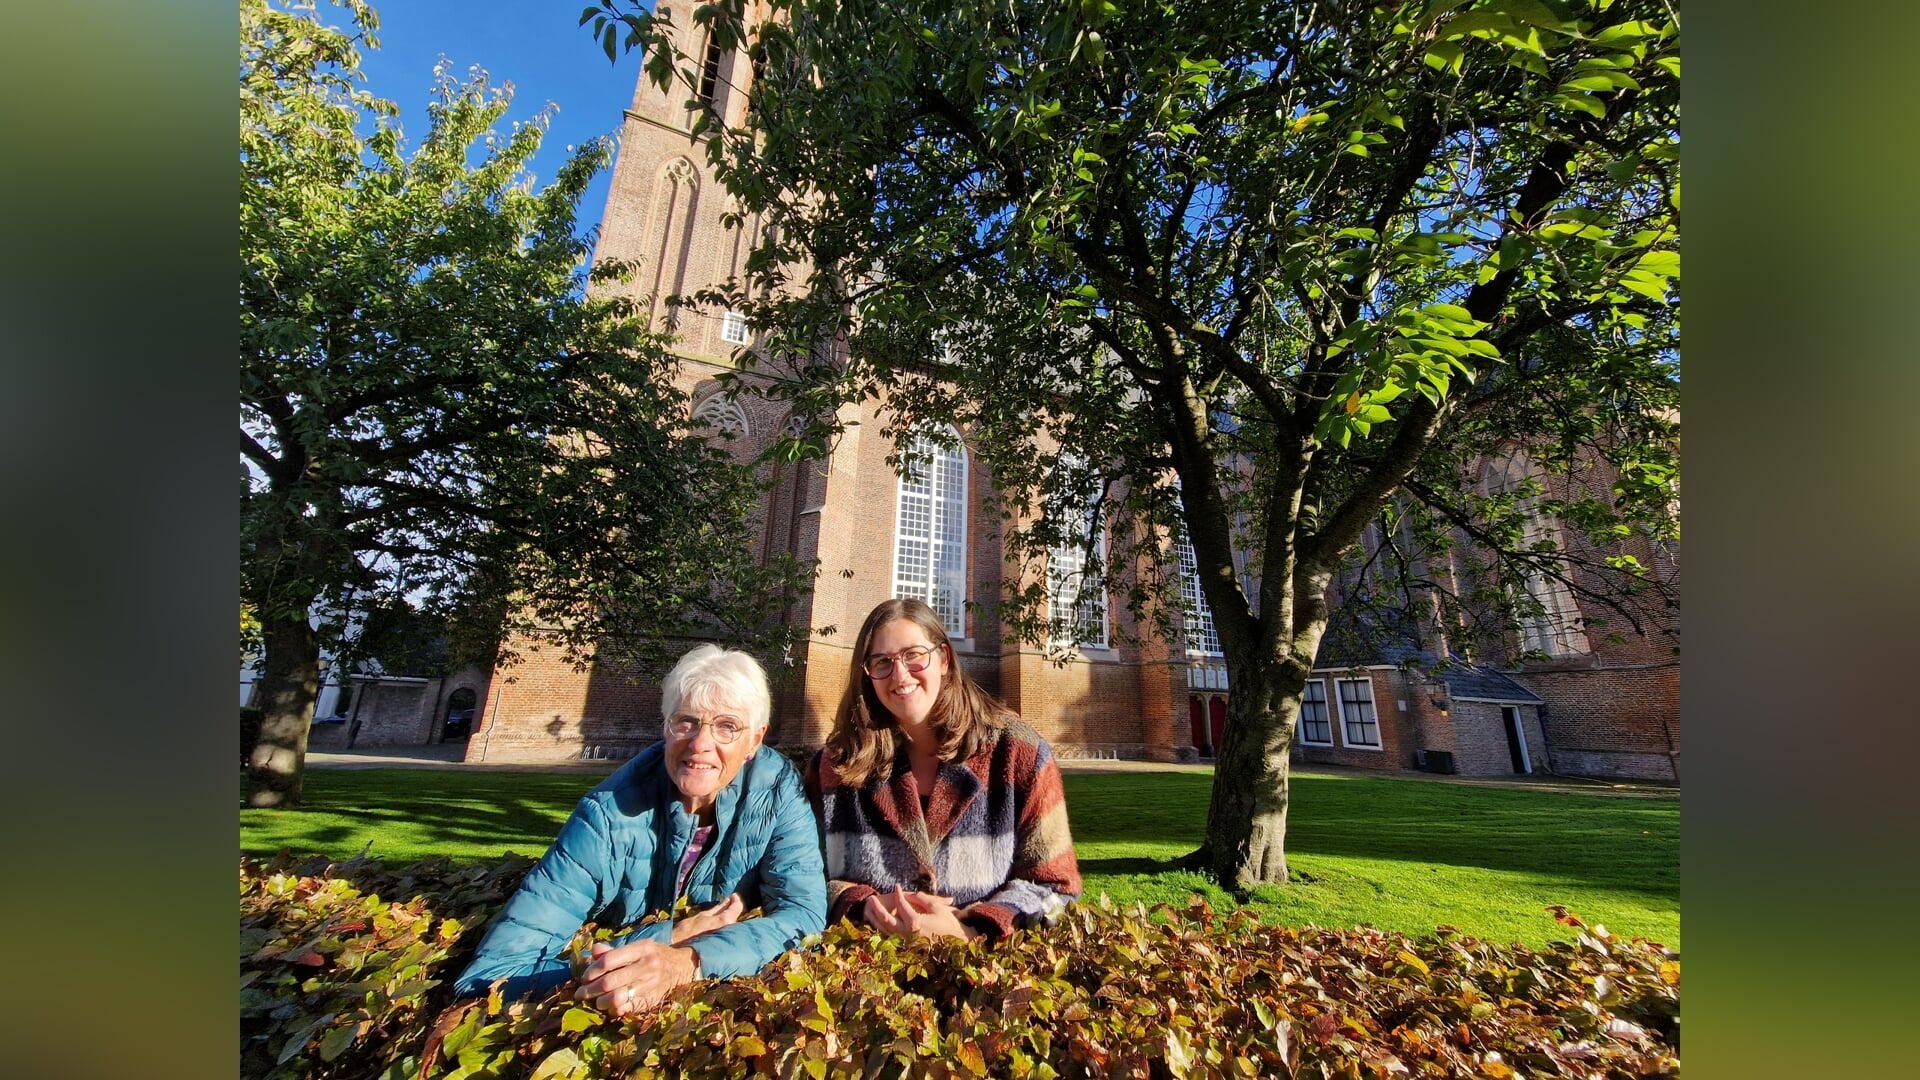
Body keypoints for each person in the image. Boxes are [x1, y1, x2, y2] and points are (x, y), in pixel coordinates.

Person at [453, 645, 825, 1015]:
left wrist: (691, 961)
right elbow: (493, 976)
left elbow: (803, 917)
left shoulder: (777, 791)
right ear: (666, 727)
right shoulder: (607, 817)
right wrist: (668, 938)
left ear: (754, 741)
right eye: (686, 722)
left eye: (727, 727)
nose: (700, 744)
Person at [806, 598, 1081, 942]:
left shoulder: (1018, 754)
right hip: (864, 979)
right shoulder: (834, 768)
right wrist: (863, 905)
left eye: (914, 655)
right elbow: (797, 881)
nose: (900, 674)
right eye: (882, 662)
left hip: (984, 981)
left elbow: (1057, 887)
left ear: (944, 659)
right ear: (867, 674)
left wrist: (971, 927)